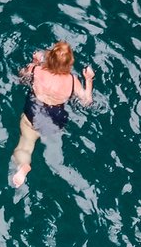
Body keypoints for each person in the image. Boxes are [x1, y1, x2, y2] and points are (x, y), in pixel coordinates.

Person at [10, 41, 94, 187]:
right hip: (56, 120)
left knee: (25, 145)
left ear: (49, 57)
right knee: (48, 133)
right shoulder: (73, 81)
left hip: (34, 112)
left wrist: (34, 61)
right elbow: (87, 102)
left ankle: (23, 166)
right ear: (70, 63)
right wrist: (88, 79)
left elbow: (21, 78)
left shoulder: (36, 69)